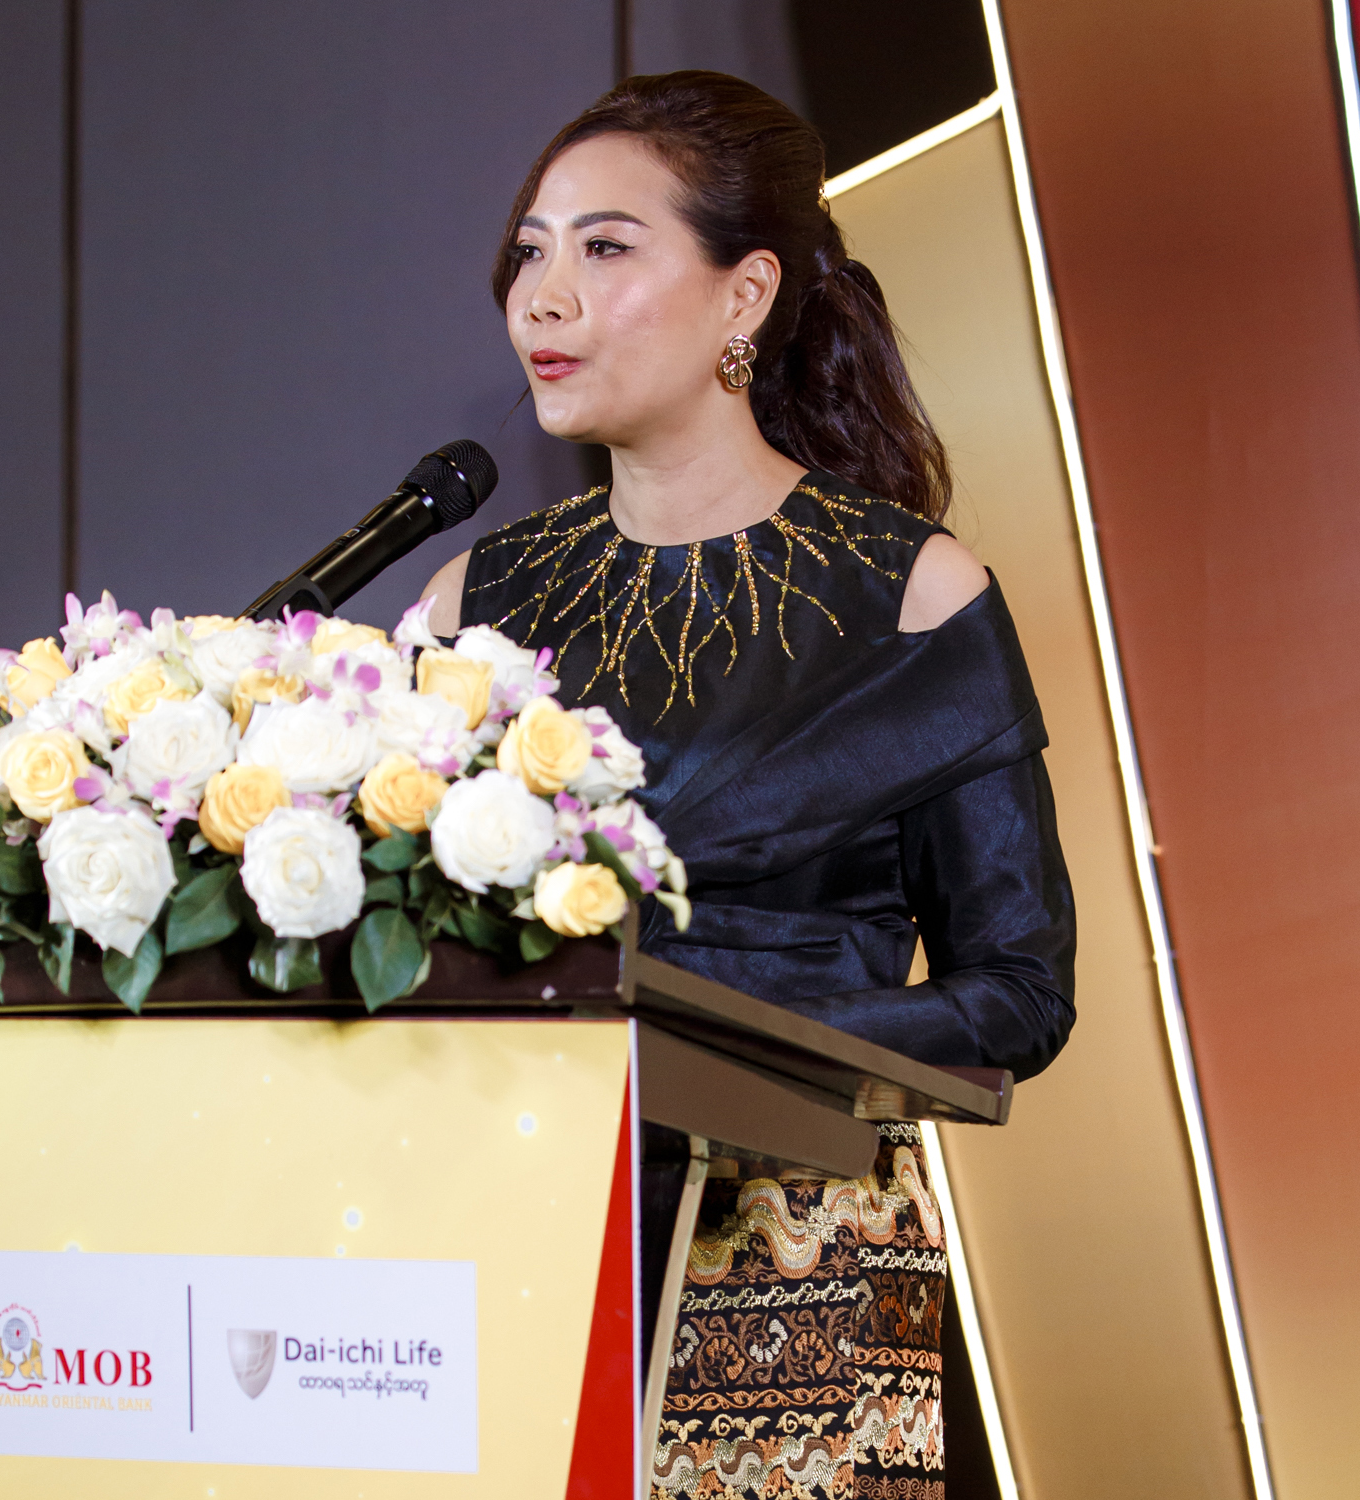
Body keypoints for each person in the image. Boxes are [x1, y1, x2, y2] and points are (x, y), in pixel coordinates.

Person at [420, 72, 1074, 1500]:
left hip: (788, 1266)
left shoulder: (913, 594)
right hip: (517, 1230)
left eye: (605, 247)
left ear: (747, 293)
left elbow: (1019, 990)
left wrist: (717, 1041)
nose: (541, 298)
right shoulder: (473, 601)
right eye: (529, 251)